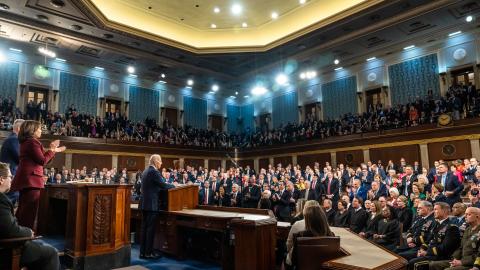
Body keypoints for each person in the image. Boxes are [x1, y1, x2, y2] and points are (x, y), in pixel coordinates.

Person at [0, 162, 59, 270]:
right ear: (1, 179)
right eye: (10, 176)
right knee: (51, 253)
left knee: (40, 244)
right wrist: (29, 232)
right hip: (8, 250)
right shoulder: (1, 200)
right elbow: (11, 231)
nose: (11, 179)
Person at [12, 120, 65, 230]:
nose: (41, 130)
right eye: (40, 128)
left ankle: (19, 236)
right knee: (29, 213)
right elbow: (42, 161)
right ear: (32, 130)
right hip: (31, 181)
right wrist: (51, 150)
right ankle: (25, 238)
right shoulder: (32, 142)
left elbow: (41, 160)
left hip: (27, 180)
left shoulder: (27, 142)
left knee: (23, 211)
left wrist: (53, 151)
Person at [139, 154, 175, 259]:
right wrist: (174, 186)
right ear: (155, 161)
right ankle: (149, 253)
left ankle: (143, 252)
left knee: (144, 229)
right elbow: (163, 185)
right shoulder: (154, 172)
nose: (161, 163)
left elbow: (152, 187)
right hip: (151, 205)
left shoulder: (146, 171)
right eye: (160, 161)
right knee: (150, 230)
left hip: (144, 204)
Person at [407, 202, 461, 270]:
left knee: (414, 263)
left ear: (444, 211)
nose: (434, 211)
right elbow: (429, 240)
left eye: (436, 209)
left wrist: (427, 252)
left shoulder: (452, 227)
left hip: (440, 256)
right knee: (409, 258)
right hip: (431, 253)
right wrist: (422, 249)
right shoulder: (436, 224)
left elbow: (445, 248)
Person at [0, 119, 24, 205]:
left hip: (10, 176)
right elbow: (20, 158)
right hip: (11, 176)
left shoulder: (12, 139)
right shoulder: (14, 139)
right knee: (8, 202)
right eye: (25, 128)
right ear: (19, 129)